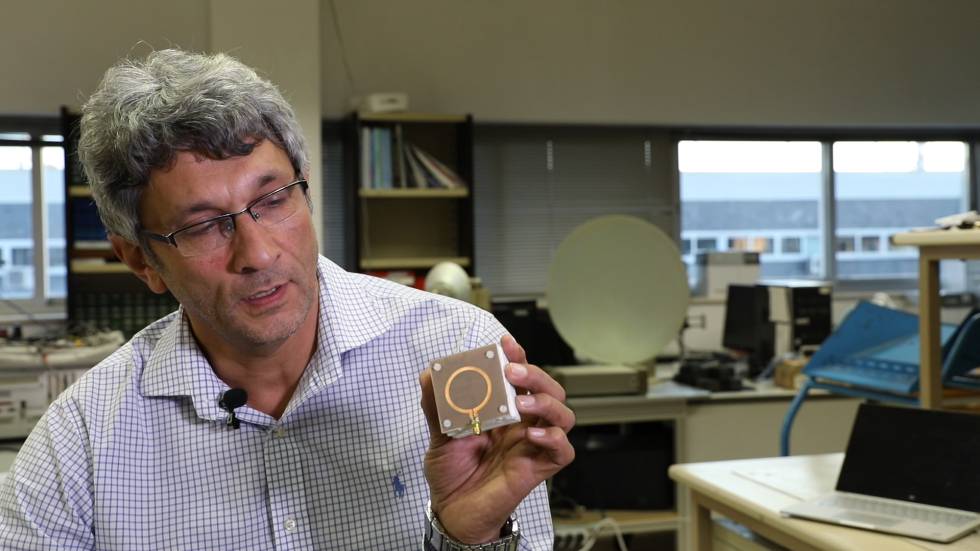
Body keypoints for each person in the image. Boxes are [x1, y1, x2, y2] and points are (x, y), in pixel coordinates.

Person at [0, 49, 574, 550]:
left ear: (305, 186)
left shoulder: (458, 350)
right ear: (140, 261)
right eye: (203, 227)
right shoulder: (82, 443)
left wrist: (468, 538)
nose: (258, 253)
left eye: (273, 198)